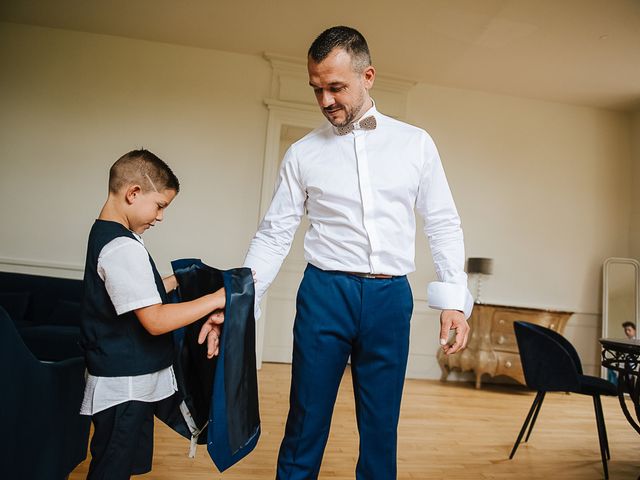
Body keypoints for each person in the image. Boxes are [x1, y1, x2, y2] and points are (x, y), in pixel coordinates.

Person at [243, 26, 473, 479]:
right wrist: (238, 300)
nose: (326, 100)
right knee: (305, 421)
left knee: (381, 427)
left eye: (336, 87)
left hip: (390, 298)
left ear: (367, 76)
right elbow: (273, 235)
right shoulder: (302, 154)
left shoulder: (416, 144)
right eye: (317, 89)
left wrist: (454, 302)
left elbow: (443, 221)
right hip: (325, 295)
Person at [79, 149, 225, 479]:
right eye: (160, 205)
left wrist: (176, 280)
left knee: (120, 466)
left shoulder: (109, 234)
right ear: (133, 193)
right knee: (111, 470)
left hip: (128, 380)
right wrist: (218, 298)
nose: (160, 217)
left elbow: (131, 291)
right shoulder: (122, 246)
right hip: (125, 386)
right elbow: (155, 320)